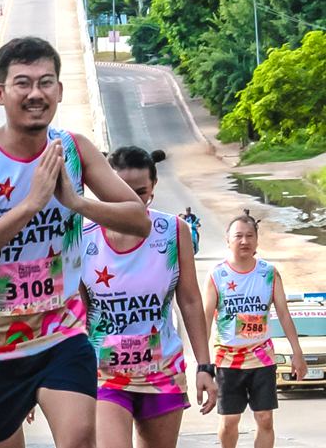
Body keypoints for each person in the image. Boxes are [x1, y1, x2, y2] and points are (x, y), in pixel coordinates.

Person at [0, 36, 150, 448]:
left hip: (62, 329)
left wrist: (74, 200)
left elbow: (138, 218)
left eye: (46, 82)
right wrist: (29, 206)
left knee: (79, 439)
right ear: (0, 93)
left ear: (59, 90)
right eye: (23, 83)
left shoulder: (73, 149)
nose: (36, 93)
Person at [80, 146, 217, 447]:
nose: (130, 202)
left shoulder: (173, 232)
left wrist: (205, 366)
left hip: (162, 371)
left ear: (154, 187)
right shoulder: (82, 237)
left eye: (140, 193)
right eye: (120, 191)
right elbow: (76, 316)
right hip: (105, 373)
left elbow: (191, 301)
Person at [203, 214, 307, 448]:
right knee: (230, 421)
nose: (244, 241)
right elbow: (205, 319)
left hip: (262, 358)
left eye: (250, 236)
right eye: (238, 236)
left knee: (265, 418)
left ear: (257, 240)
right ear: (227, 240)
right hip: (228, 360)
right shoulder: (217, 275)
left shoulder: (269, 273)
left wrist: (297, 353)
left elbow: (283, 314)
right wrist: (203, 365)